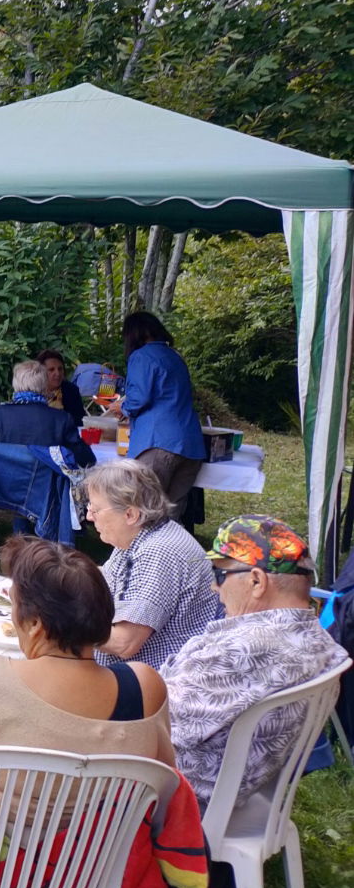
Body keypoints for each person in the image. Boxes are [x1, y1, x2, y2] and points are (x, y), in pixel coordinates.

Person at [0, 535, 173, 771]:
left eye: (13, 605)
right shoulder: (145, 688)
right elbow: (164, 788)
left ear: (35, 623)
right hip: (103, 839)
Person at [162, 516, 349, 810]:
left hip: (169, 794)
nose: (214, 587)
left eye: (220, 574)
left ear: (257, 581)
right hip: (232, 788)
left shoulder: (244, 651)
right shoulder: (319, 640)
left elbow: (151, 722)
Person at [86, 460, 221, 670]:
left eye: (95, 510)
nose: (88, 517)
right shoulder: (140, 535)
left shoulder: (158, 553)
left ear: (130, 514)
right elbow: (108, 579)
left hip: (156, 680)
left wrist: (61, 627)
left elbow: (124, 642)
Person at [119, 311, 205, 520]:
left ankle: (139, 553)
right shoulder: (175, 356)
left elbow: (139, 398)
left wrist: (122, 407)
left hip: (158, 442)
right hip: (190, 444)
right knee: (170, 515)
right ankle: (171, 552)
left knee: (141, 509)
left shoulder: (141, 356)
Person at [0, 360, 96, 468]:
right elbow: (87, 459)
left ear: (15, 385)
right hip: (46, 487)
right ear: (45, 386)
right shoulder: (61, 419)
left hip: (3, 485)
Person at [36, 348, 85, 427]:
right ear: (41, 372)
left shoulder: (71, 390)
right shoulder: (33, 391)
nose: (57, 373)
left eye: (60, 369)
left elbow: (79, 420)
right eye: (51, 370)